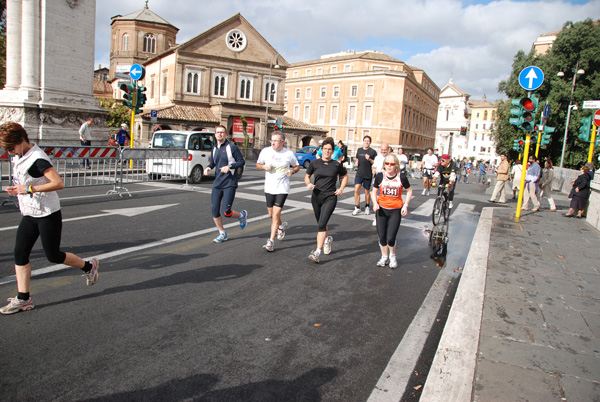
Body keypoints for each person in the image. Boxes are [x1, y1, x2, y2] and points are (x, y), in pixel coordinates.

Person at [0, 122, 99, 315]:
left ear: (21, 141)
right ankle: (23, 298)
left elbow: (58, 183)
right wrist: (17, 188)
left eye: (11, 148)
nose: (10, 152)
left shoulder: (38, 159)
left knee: (53, 255)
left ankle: (89, 266)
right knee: (19, 254)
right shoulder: (22, 155)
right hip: (29, 212)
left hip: (47, 213)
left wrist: (28, 189)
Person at [305, 137, 349, 263]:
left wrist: (341, 188)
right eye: (325, 149)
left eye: (330, 149)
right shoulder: (315, 163)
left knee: (322, 224)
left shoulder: (336, 165)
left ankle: (317, 252)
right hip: (316, 197)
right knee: (321, 223)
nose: (327, 151)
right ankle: (327, 239)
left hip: (330, 197)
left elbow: (345, 176)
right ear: (321, 150)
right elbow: (307, 176)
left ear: (333, 151)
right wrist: (308, 183)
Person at [256, 132, 300, 252]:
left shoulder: (289, 154)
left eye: (275, 141)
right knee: (271, 214)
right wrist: (264, 167)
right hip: (269, 187)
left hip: (282, 188)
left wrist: (292, 171)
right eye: (272, 141)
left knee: (275, 215)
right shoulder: (265, 151)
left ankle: (270, 241)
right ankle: (281, 226)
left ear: (282, 142)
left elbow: (297, 166)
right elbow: (258, 165)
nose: (273, 143)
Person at [203, 125, 247, 242]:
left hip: (229, 182)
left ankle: (242, 215)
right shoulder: (214, 148)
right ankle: (222, 233)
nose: (219, 134)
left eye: (222, 132)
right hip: (217, 183)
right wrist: (207, 168)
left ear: (226, 134)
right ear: (215, 134)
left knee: (226, 212)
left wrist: (230, 166)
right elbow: (213, 162)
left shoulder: (231, 147)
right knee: (214, 209)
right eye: (217, 132)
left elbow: (241, 161)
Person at [371, 153, 412, 269]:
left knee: (391, 237)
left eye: (392, 164)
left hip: (395, 210)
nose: (389, 166)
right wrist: (375, 203)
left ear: (396, 166)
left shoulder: (401, 177)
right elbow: (373, 191)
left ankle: (392, 257)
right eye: (387, 164)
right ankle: (384, 257)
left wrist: (406, 205)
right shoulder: (380, 176)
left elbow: (409, 191)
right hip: (382, 210)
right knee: (382, 236)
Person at [352, 135, 377, 216]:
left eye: (368, 141)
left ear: (370, 142)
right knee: (356, 190)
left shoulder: (372, 152)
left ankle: (367, 207)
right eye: (365, 141)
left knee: (366, 192)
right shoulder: (359, 150)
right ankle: (357, 207)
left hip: (367, 174)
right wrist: (356, 162)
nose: (366, 142)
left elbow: (375, 163)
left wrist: (369, 159)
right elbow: (357, 158)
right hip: (359, 173)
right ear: (363, 141)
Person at [371, 143, 392, 226]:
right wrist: (373, 170)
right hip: (378, 179)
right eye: (382, 149)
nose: (383, 151)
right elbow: (374, 166)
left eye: (385, 150)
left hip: (388, 181)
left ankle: (387, 217)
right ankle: (376, 217)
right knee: (377, 198)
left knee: (386, 199)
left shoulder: (391, 158)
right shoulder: (377, 157)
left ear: (388, 149)